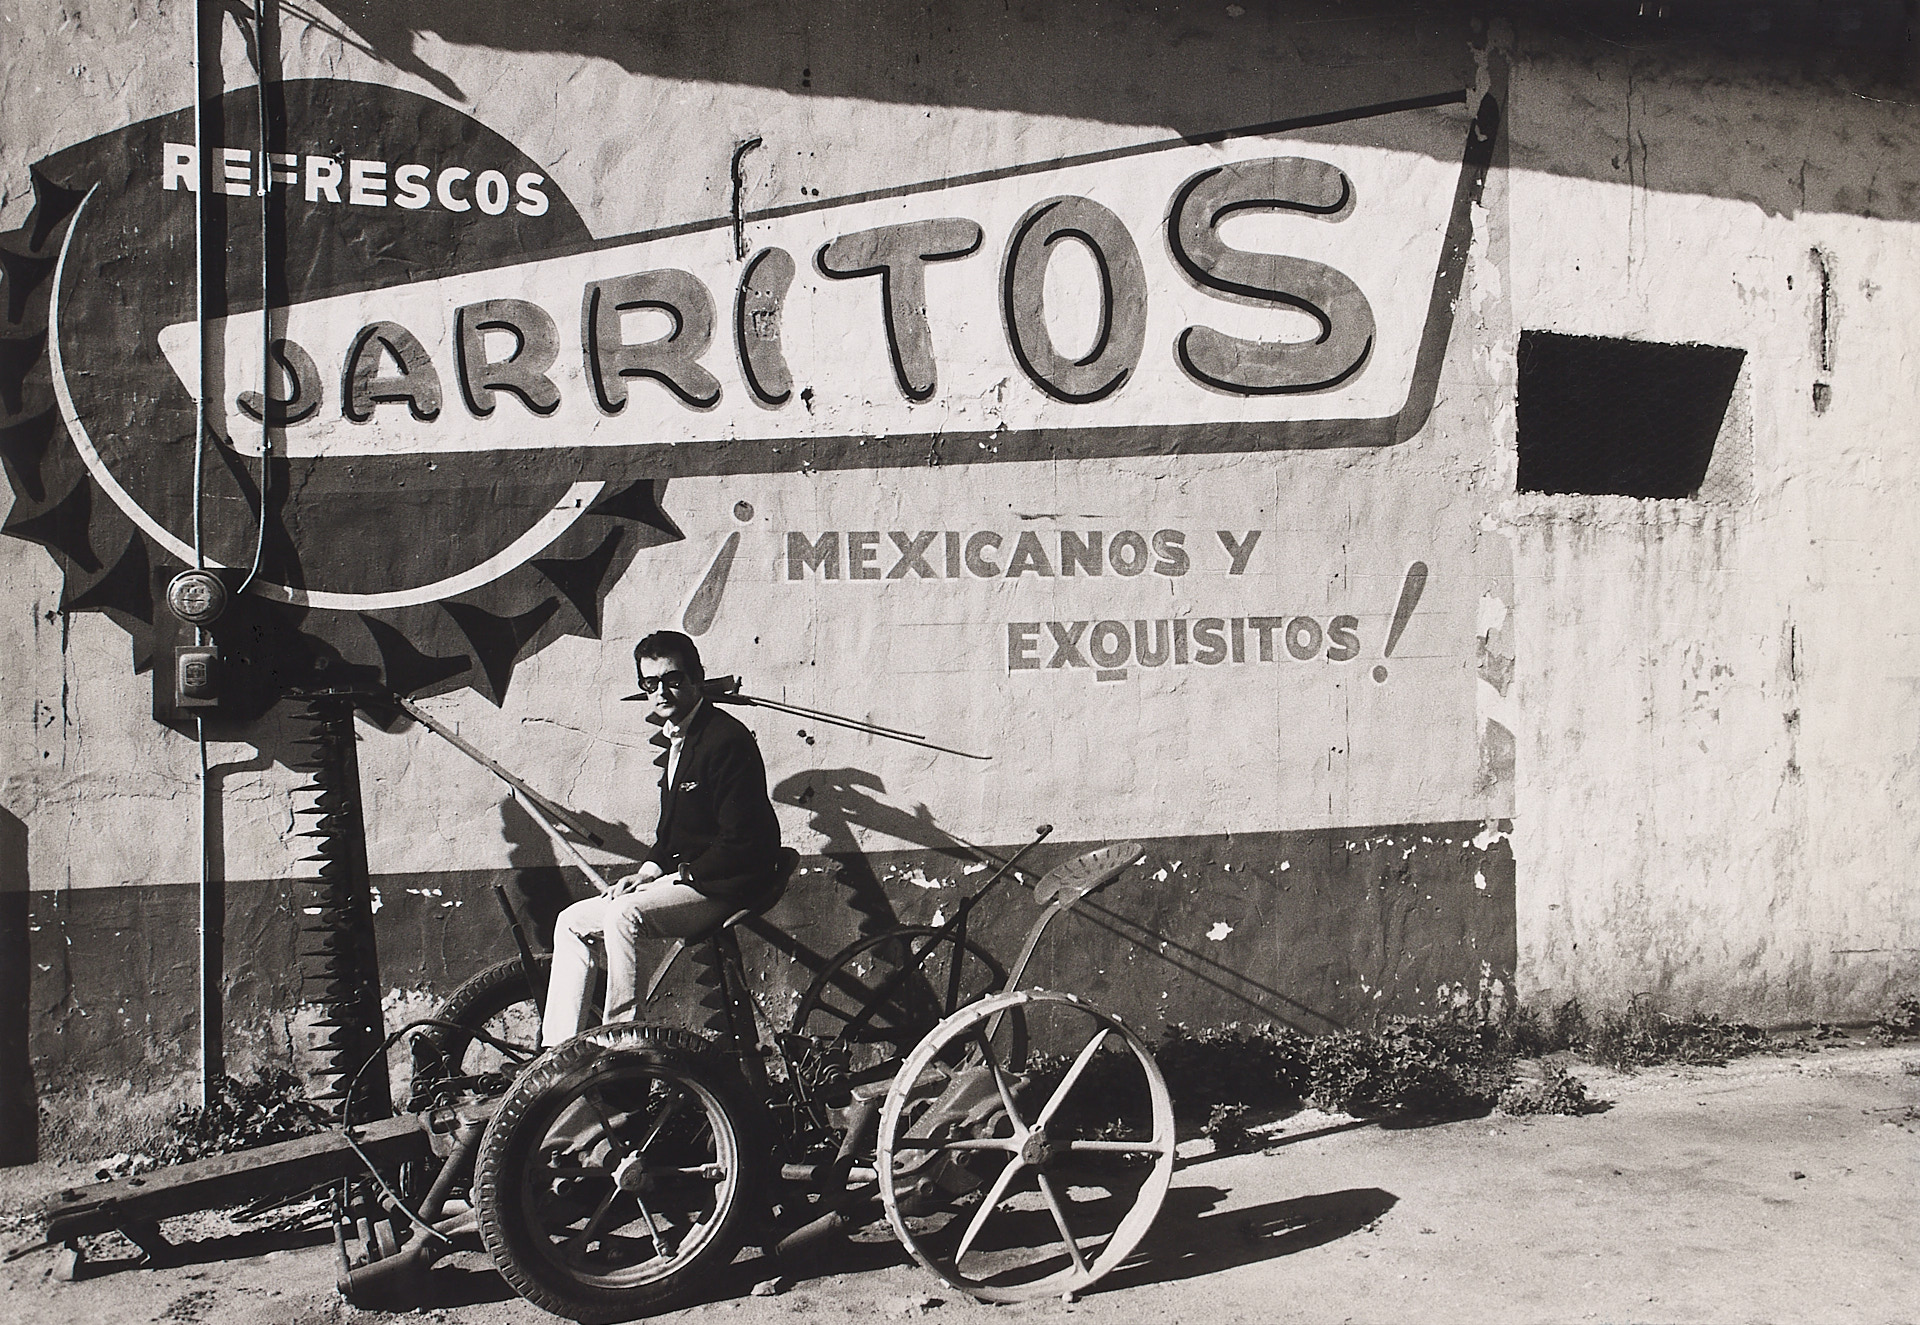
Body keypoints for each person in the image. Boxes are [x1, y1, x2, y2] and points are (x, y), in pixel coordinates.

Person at [539, 630, 783, 1047]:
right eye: (649, 683)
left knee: (623, 916)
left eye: (672, 679)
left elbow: (743, 840)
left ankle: (624, 1043)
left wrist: (682, 876)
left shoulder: (725, 739)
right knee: (572, 922)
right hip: (692, 879)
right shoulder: (679, 735)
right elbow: (673, 831)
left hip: (728, 884)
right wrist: (650, 870)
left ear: (697, 678)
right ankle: (557, 1051)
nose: (661, 691)